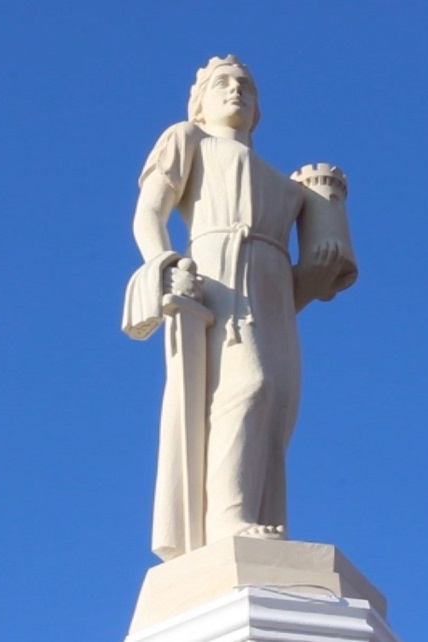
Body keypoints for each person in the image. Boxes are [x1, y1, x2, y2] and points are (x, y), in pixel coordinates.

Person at [125, 55, 351, 561]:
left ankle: (257, 513)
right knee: (245, 386)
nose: (236, 91)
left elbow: (301, 287)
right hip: (217, 270)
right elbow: (148, 212)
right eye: (222, 84)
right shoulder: (189, 138)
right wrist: (164, 261)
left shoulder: (289, 188)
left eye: (246, 86)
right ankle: (227, 517)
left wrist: (321, 265)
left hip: (272, 285)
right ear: (198, 103)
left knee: (276, 401)